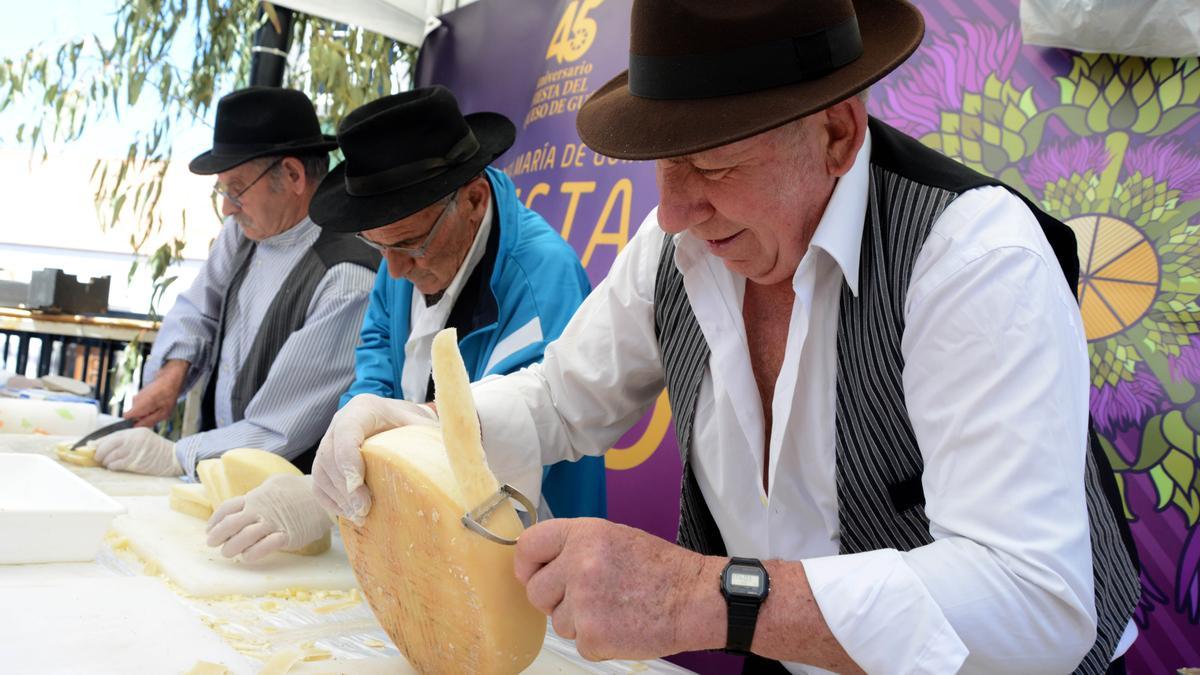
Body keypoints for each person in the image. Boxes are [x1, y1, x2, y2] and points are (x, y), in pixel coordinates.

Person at [312, 2, 1142, 673]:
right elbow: (561, 401)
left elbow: (1036, 602)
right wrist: (418, 429)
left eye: (712, 168)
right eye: (664, 166)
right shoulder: (675, 247)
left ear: (838, 133)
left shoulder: (971, 258)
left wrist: (705, 596)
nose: (674, 211)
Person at [206, 87, 606, 562]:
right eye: (378, 247)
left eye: (411, 245)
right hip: (424, 535)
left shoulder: (542, 278)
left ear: (474, 200)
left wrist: (331, 487)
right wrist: (347, 448)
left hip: (527, 546)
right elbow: (375, 364)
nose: (393, 271)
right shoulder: (397, 250)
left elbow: (504, 433)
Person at [94, 87, 379, 484]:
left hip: (288, 496)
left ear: (294, 175)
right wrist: (171, 375)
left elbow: (281, 427)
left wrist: (177, 455)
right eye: (223, 191)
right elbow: (199, 308)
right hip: (222, 473)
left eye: (236, 188)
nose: (227, 207)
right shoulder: (243, 233)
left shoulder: (346, 277)